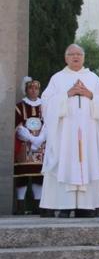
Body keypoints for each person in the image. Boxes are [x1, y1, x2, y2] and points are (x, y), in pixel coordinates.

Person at [40, 44, 99, 218]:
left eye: (79, 54)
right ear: (66, 58)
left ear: (84, 57)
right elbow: (46, 104)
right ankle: (65, 205)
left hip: (88, 131)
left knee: (87, 161)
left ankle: (87, 206)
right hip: (65, 133)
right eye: (72, 54)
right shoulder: (58, 78)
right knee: (67, 161)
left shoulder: (93, 78)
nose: (76, 57)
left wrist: (89, 94)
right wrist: (67, 94)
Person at [14, 77, 47, 215]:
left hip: (42, 143)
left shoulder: (45, 105)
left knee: (39, 174)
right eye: (30, 88)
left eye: (36, 88)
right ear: (26, 90)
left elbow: (48, 124)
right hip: (24, 143)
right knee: (22, 174)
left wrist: (40, 139)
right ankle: (20, 205)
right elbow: (18, 127)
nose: (33, 90)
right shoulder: (19, 106)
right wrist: (32, 139)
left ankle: (37, 205)